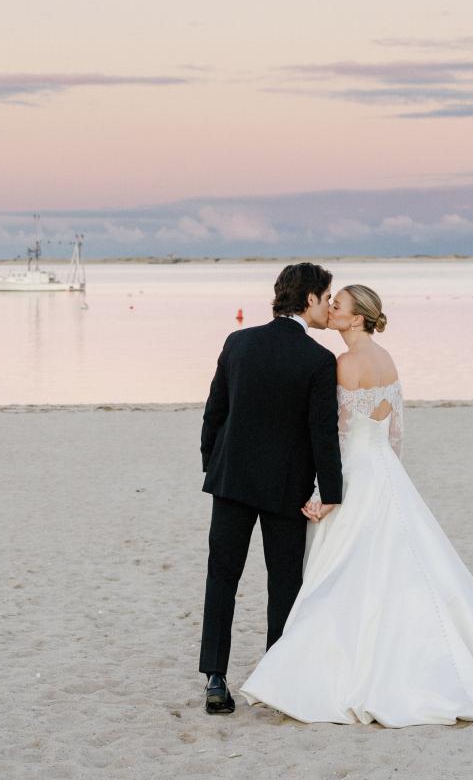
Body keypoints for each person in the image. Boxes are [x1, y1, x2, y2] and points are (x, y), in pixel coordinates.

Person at [238, 284, 473, 726]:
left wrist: (324, 493)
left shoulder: (344, 364)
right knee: (401, 566)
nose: (330, 308)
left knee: (342, 574)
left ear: (358, 318)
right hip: (384, 469)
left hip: (355, 473)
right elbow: (395, 431)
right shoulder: (386, 359)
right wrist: (389, 476)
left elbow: (334, 437)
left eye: (338, 304)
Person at [197, 262, 342, 715]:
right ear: (310, 299)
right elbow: (323, 435)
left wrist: (216, 465)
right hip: (287, 488)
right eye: (326, 297)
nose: (328, 306)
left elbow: (214, 414)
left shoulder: (238, 342)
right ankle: (275, 675)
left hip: (232, 481)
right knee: (284, 583)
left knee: (222, 577)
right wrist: (330, 490)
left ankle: (216, 680)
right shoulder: (319, 360)